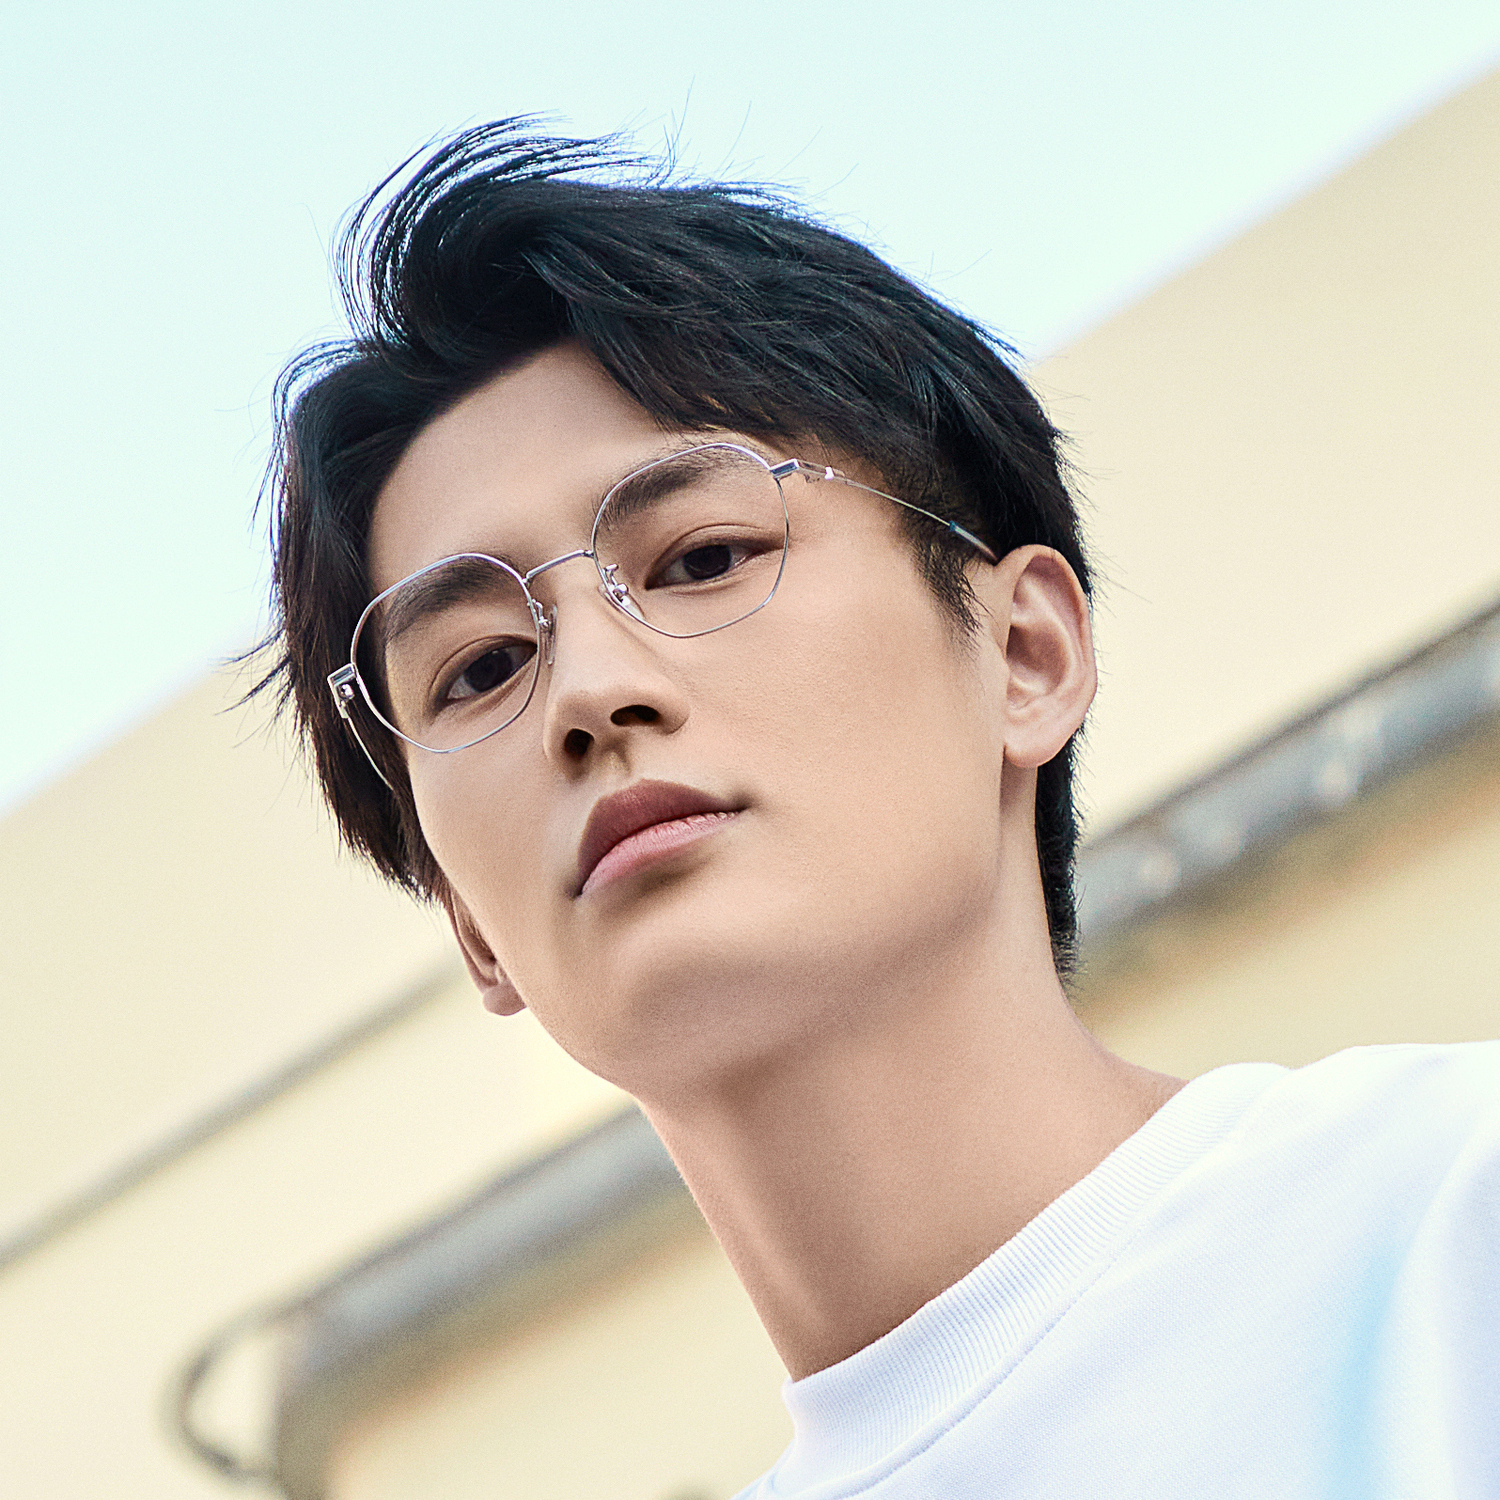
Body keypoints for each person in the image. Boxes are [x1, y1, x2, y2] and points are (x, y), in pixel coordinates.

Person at [258, 121, 1499, 1498]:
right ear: (469, 925)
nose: (590, 693)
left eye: (702, 557)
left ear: (1024, 654)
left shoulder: (1449, 1218)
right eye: (482, 667)